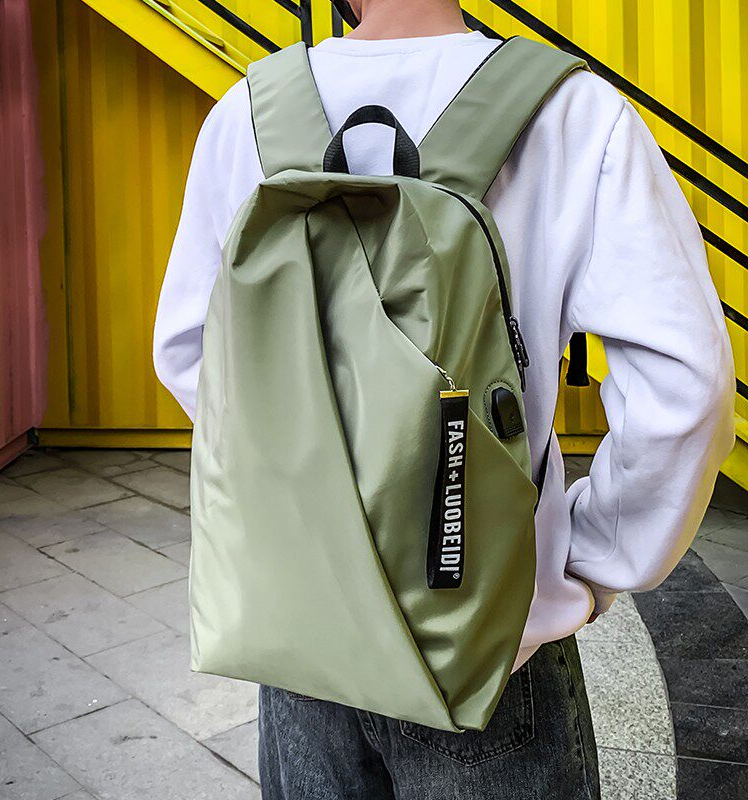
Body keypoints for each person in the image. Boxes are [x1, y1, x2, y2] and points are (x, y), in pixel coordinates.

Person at [153, 0, 735, 797]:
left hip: (296, 637)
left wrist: (316, 492)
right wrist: (590, 564)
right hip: (488, 647)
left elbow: (193, 352)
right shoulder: (571, 111)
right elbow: (686, 386)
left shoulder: (245, 115)